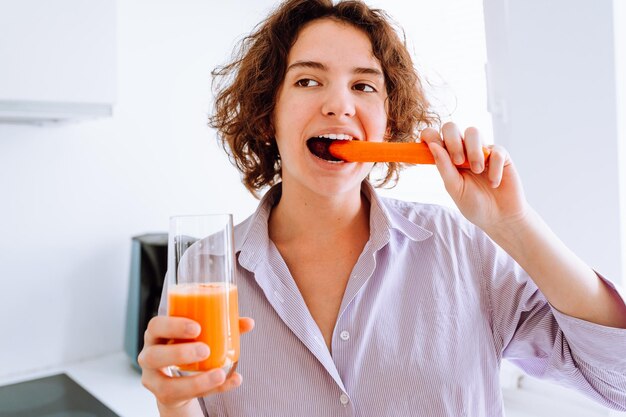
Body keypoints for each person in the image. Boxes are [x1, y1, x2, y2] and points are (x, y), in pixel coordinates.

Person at [137, 0, 626, 416]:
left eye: (364, 86)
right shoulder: (203, 269)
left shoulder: (462, 248)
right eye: (308, 81)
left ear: (387, 123)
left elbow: (617, 380)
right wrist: (175, 406)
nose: (338, 105)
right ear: (269, 114)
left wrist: (513, 224)